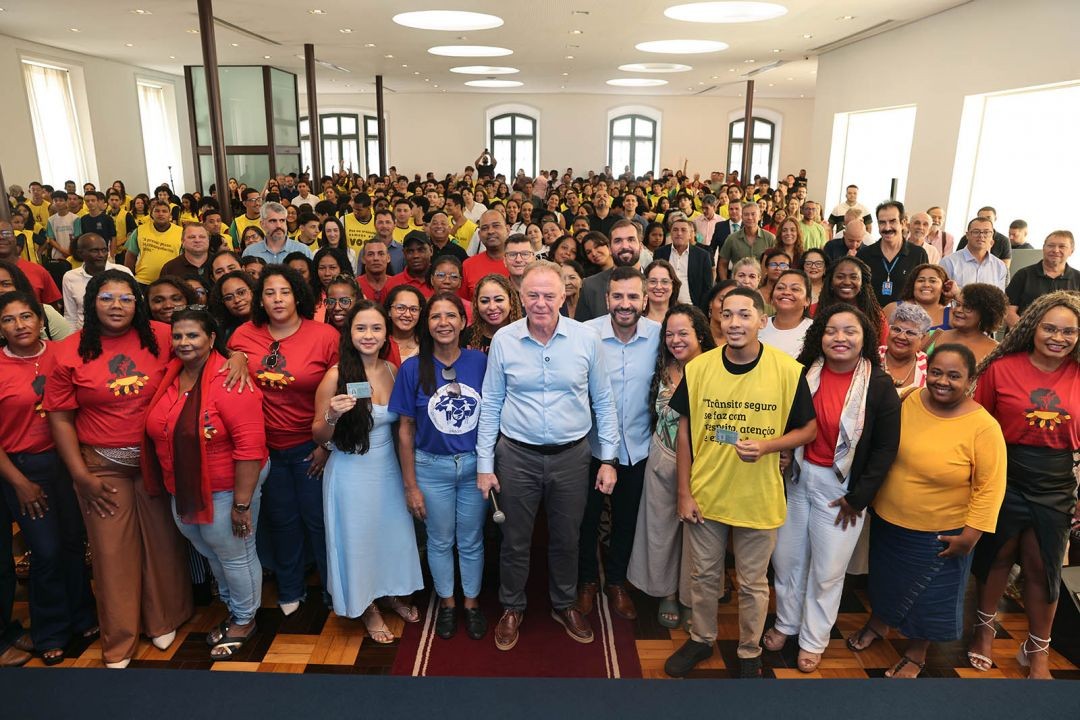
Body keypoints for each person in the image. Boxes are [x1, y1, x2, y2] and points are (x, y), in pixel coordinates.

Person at [664, 287, 817, 679]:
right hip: (707, 493)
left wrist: (769, 446)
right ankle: (701, 639)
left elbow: (809, 429)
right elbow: (684, 434)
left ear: (762, 321)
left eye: (745, 315)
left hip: (758, 495)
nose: (735, 323)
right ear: (719, 319)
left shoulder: (787, 370)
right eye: (727, 314)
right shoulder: (699, 368)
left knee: (753, 583)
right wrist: (683, 492)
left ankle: (750, 651)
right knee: (703, 577)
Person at [44, 270, 194, 668]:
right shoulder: (69, 350)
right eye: (107, 298)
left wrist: (238, 359)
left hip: (155, 462)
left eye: (126, 298)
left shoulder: (163, 336)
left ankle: (163, 620)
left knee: (163, 544)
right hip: (101, 466)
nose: (117, 306)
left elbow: (206, 351)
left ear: (137, 304)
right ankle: (120, 639)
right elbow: (59, 417)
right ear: (92, 302)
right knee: (112, 554)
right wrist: (80, 475)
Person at [477, 261, 619, 651]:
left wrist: (608, 459)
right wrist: (485, 465)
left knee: (567, 538)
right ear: (520, 297)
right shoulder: (504, 340)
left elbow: (604, 401)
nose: (541, 303)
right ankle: (512, 606)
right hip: (515, 456)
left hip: (573, 456)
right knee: (514, 540)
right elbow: (491, 403)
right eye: (533, 295)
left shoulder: (586, 339)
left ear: (563, 296)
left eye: (549, 295)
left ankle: (564, 603)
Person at [847, 345, 1006, 679]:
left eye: (954, 376)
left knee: (930, 597)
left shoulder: (984, 427)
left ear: (971, 380)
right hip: (889, 520)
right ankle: (879, 622)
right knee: (886, 582)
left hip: (941, 532)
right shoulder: (907, 399)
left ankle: (916, 653)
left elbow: (990, 488)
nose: (942, 381)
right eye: (936, 372)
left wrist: (971, 535)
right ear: (926, 370)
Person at [766, 304, 900, 672]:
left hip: (842, 490)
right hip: (798, 477)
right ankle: (787, 624)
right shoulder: (802, 373)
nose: (840, 338)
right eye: (831, 330)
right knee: (787, 560)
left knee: (826, 571)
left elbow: (886, 449)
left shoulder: (879, 385)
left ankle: (813, 640)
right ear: (819, 336)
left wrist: (859, 498)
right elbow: (785, 422)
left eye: (850, 331)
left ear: (865, 338)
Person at [142, 308, 268, 659]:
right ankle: (232, 608)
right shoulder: (172, 375)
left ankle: (244, 619)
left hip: (229, 487)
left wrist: (241, 504)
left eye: (193, 335)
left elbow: (250, 448)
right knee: (212, 551)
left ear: (212, 339)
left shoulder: (230, 381)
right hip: (184, 486)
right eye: (178, 336)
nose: (184, 342)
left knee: (235, 554)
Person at [969, 292, 1080, 679]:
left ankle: (1037, 649)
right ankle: (984, 630)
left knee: (1041, 565)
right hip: (1005, 472)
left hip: (1057, 480)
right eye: (1050, 328)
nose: (1058, 338)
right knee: (997, 555)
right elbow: (977, 425)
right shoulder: (1001, 368)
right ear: (1032, 327)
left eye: (1069, 332)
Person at [227, 265, 340, 616]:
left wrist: (326, 446)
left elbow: (341, 394)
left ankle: (334, 591)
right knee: (281, 520)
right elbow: (231, 376)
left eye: (285, 292)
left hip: (312, 446)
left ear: (298, 296)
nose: (277, 299)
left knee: (319, 521)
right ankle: (291, 587)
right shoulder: (244, 334)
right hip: (266, 449)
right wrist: (235, 356)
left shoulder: (325, 336)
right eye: (269, 293)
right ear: (260, 300)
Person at [313, 300, 423, 642]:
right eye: (360, 328)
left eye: (376, 328)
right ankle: (367, 606)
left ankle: (389, 592)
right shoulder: (336, 375)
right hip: (350, 472)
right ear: (349, 333)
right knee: (357, 540)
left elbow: (403, 425)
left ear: (387, 333)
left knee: (390, 536)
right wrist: (332, 415)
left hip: (388, 470)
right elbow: (318, 434)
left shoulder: (392, 370)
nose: (368, 335)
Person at [0, 291, 97, 665]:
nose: (19, 325)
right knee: (46, 551)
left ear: (42, 321)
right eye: (9, 319)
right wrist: (19, 482)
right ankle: (51, 630)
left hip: (67, 461)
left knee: (73, 543)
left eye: (26, 316)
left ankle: (82, 615)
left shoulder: (62, 354)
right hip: (24, 468)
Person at [390, 292, 489, 641]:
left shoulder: (480, 362)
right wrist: (410, 485)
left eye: (451, 316)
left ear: (463, 322)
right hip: (431, 468)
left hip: (474, 466)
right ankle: (447, 602)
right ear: (426, 324)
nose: (443, 323)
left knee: (472, 540)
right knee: (440, 539)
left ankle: (472, 603)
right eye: (435, 316)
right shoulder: (411, 368)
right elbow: (405, 429)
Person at [577, 268, 661, 621]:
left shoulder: (659, 335)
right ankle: (586, 582)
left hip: (639, 448)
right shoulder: (585, 334)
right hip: (591, 449)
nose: (625, 304)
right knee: (586, 521)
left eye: (632, 297)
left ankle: (615, 582)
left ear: (645, 299)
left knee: (627, 520)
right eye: (618, 296)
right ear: (607, 298)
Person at [628, 304, 714, 628]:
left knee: (698, 537)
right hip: (662, 458)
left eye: (683, 333)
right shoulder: (663, 367)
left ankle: (691, 598)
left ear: (700, 334)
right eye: (669, 334)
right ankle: (666, 592)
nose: (675, 340)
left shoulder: (715, 368)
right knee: (660, 530)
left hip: (704, 465)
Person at [857, 202, 929, 308]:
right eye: (882, 222)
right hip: (869, 316)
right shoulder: (864, 254)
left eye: (892, 221)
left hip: (905, 316)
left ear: (903, 223)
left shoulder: (918, 254)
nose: (887, 228)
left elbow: (924, 290)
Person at [1005, 231, 1080, 328]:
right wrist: (1026, 332)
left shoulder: (1078, 278)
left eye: (1062, 246)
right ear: (1043, 248)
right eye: (1051, 245)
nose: (1055, 250)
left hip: (1064, 336)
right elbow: (1008, 310)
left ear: (1071, 251)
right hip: (1024, 334)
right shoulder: (1023, 275)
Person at [63, 233, 134, 330]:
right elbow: (70, 316)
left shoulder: (123, 272)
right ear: (80, 253)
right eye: (95, 251)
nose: (101, 255)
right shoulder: (70, 277)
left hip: (119, 332)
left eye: (104, 250)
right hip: (85, 333)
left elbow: (137, 306)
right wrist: (73, 338)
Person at [576, 220, 642, 321]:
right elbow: (581, 327)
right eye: (618, 241)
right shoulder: (590, 286)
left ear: (641, 246)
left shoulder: (657, 284)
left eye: (631, 239)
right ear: (610, 248)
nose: (625, 246)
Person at [928, 283, 1007, 364]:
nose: (958, 310)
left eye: (967, 307)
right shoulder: (933, 337)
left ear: (985, 314)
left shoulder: (996, 351)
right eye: (957, 304)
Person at [817, 256, 887, 342]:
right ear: (831, 282)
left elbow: (882, 347)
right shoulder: (815, 310)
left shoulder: (875, 315)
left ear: (862, 283)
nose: (847, 282)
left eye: (854, 277)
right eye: (840, 277)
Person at [882, 264, 951, 348]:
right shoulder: (892, 308)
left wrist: (957, 294)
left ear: (944, 287)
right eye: (921, 280)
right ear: (913, 285)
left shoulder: (952, 314)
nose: (926, 285)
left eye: (932, 281)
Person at [653, 218, 713, 311]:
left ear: (690, 235)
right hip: (665, 306)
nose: (679, 233)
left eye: (683, 230)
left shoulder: (702, 256)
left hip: (692, 307)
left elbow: (707, 286)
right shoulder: (660, 253)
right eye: (675, 230)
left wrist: (701, 309)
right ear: (670, 233)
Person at [939, 216, 1009, 292]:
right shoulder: (949, 262)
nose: (981, 236)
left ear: (992, 235)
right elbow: (943, 294)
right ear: (967, 235)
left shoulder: (1000, 266)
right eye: (976, 232)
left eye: (986, 232)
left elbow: (999, 296)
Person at [123, 199, 183, 288]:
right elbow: (130, 256)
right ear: (151, 214)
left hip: (171, 283)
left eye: (164, 211)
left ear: (170, 215)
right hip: (142, 282)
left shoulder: (181, 232)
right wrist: (128, 280)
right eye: (157, 211)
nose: (161, 214)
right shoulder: (139, 231)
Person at [878, 303, 932, 394]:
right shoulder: (871, 358)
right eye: (896, 329)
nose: (901, 337)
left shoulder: (929, 367)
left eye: (910, 333)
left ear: (922, 338)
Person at [760, 269, 813, 358]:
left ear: (807, 301)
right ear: (772, 298)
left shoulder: (815, 329)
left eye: (795, 289)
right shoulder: (758, 326)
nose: (786, 292)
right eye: (780, 288)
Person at [717, 202, 774, 281]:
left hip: (762, 285)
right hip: (738, 284)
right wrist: (726, 284)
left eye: (753, 214)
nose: (749, 218)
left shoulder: (770, 238)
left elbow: (776, 263)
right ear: (742, 217)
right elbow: (722, 264)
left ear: (759, 216)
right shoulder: (732, 239)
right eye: (746, 214)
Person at [242, 202, 313, 265]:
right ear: (262, 224)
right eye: (273, 221)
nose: (279, 225)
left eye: (282, 220)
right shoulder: (250, 252)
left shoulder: (303, 251)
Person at [467, 274, 523, 353]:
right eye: (484, 301)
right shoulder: (466, 335)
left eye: (499, 300)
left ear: (511, 301)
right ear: (476, 304)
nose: (492, 307)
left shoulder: (525, 335)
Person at [385, 231, 436, 299]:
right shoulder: (392, 284)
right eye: (410, 251)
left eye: (421, 250)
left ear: (431, 250)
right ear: (404, 253)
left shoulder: (442, 282)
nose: (416, 255)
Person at [209, 270, 256, 342]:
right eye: (228, 298)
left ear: (253, 291)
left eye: (241, 293)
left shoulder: (271, 322)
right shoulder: (224, 334)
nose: (237, 300)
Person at [386, 285, 425, 362]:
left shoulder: (428, 345)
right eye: (400, 308)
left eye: (413, 309)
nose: (407, 315)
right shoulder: (379, 342)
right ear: (389, 311)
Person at [643, 259, 680, 324]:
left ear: (673, 286)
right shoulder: (635, 318)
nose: (658, 287)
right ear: (644, 285)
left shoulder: (684, 317)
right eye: (653, 281)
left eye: (665, 281)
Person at [800, 248, 827, 315]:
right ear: (803, 267)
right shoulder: (796, 289)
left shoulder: (832, 288)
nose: (813, 267)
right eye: (808, 263)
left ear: (825, 269)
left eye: (818, 264)